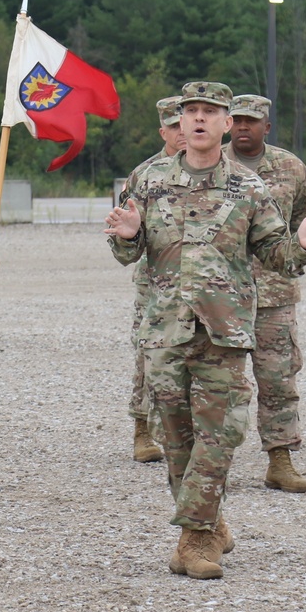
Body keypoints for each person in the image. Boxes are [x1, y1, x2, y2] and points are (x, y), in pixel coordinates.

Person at [104, 81, 306, 580]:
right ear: (178, 123)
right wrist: (126, 236)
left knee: (222, 432)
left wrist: (303, 243)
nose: (200, 119)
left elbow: (277, 258)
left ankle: (194, 538)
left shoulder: (248, 187)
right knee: (176, 436)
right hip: (164, 328)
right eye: (192, 112)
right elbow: (126, 252)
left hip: (223, 330)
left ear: (227, 124)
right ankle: (211, 521)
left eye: (211, 112)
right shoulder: (147, 179)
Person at [222, 94, 306, 493]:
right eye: (238, 120)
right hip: (220, 295)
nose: (244, 127)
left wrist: (296, 255)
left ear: (267, 126)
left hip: (274, 294)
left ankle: (280, 459)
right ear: (228, 124)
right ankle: (213, 466)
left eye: (253, 121)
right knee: (219, 383)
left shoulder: (289, 167)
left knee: (278, 378)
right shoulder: (209, 163)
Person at [127, 95, 185, 463]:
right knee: (149, 353)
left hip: (201, 281)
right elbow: (127, 235)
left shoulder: (215, 168)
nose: (183, 132)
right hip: (156, 281)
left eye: (188, 123)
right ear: (162, 130)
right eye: (175, 126)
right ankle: (142, 429)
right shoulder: (145, 174)